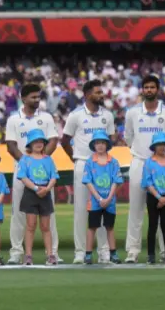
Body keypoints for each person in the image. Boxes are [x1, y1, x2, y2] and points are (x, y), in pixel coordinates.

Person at [124, 75, 165, 263]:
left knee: (164, 209)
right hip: (139, 162)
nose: (149, 90)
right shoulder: (132, 113)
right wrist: (142, 153)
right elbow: (128, 137)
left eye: (152, 87)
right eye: (146, 87)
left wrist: (159, 158)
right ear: (142, 90)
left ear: (158, 89)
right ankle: (132, 251)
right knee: (136, 208)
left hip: (162, 164)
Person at [5, 83, 60, 265]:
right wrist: (27, 163)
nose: (37, 100)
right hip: (22, 171)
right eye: (33, 97)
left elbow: (53, 140)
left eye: (38, 97)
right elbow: (11, 145)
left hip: (44, 173)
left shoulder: (46, 117)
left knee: (48, 214)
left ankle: (52, 252)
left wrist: (40, 161)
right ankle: (16, 252)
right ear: (23, 98)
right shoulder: (14, 119)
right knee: (18, 214)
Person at [61, 79, 114, 264]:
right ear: (87, 95)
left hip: (102, 165)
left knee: (103, 207)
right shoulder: (75, 115)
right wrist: (76, 158)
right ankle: (80, 252)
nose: (101, 95)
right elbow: (64, 140)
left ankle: (104, 252)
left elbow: (111, 140)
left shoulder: (107, 115)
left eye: (101, 92)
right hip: (83, 163)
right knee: (81, 210)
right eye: (97, 92)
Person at [17, 128, 59, 266]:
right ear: (30, 144)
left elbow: (54, 176)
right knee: (31, 225)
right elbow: (23, 177)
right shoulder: (25, 159)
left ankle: (50, 254)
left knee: (46, 226)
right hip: (31, 193)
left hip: (45, 192)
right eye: (35, 141)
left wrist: (47, 188)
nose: (38, 144)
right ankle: (28, 255)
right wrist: (35, 188)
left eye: (41, 141)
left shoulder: (48, 159)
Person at [82, 130, 123, 265]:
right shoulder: (90, 162)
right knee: (92, 227)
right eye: (97, 143)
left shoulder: (113, 162)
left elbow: (116, 181)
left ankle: (113, 253)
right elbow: (88, 182)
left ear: (107, 145)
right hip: (94, 201)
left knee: (109, 227)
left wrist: (109, 198)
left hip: (110, 201)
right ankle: (88, 254)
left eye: (103, 143)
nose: (100, 145)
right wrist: (99, 198)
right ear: (94, 145)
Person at [141, 132, 165, 264]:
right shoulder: (149, 162)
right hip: (153, 196)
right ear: (154, 146)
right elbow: (147, 182)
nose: (162, 147)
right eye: (159, 144)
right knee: (152, 225)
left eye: (164, 144)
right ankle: (151, 255)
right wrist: (159, 197)